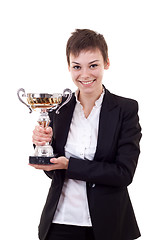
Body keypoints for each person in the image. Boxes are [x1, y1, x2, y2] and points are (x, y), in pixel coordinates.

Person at [30, 29, 142, 240]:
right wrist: (42, 147)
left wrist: (69, 165)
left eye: (93, 65)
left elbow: (123, 173)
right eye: (77, 67)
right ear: (69, 67)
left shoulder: (125, 110)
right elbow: (52, 172)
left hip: (109, 225)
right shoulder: (58, 109)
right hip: (59, 223)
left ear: (106, 63)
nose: (85, 74)